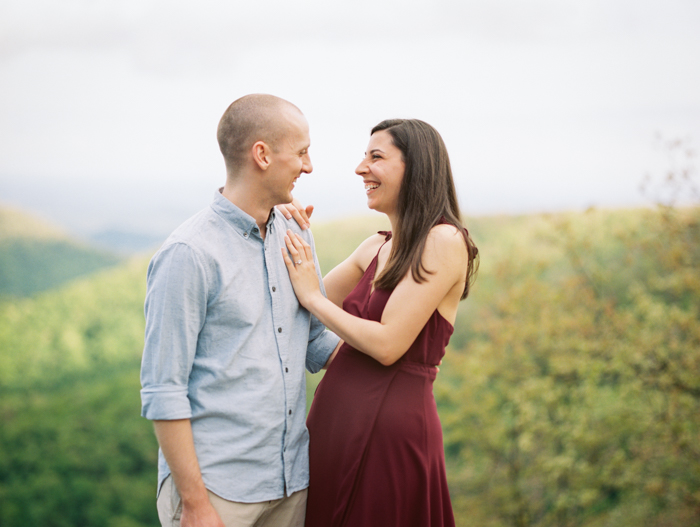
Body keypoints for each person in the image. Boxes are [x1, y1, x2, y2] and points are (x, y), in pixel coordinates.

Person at [140, 94, 341, 527]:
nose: (309, 166)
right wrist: (194, 504)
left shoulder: (294, 232)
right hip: (216, 494)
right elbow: (163, 389)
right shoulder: (188, 253)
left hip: (291, 486)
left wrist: (398, 362)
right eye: (302, 152)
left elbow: (315, 343)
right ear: (262, 155)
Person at [281, 119, 478, 527]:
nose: (360, 168)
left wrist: (313, 297)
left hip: (389, 431)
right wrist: (286, 231)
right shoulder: (376, 245)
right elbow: (293, 301)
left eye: (376, 157)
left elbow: (389, 345)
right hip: (333, 421)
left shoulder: (444, 241)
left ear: (416, 168)